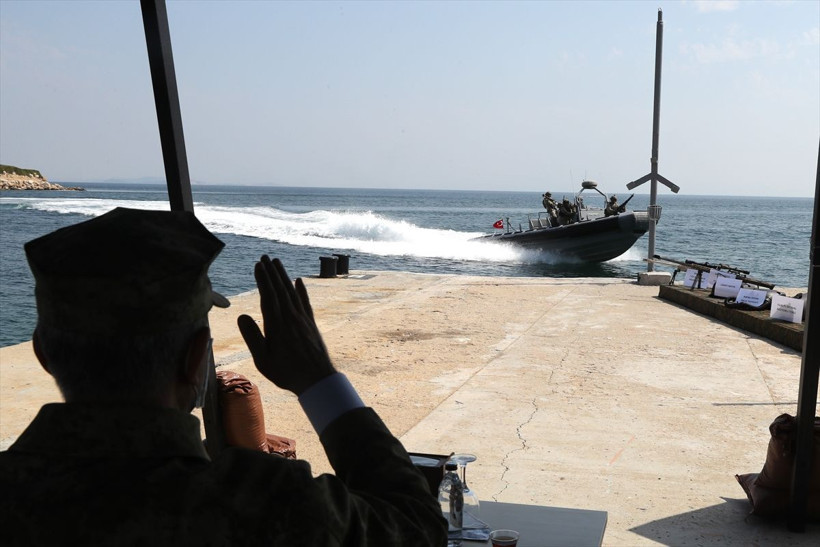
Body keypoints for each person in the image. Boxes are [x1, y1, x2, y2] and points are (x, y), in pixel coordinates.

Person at [0, 207, 447, 546]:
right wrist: (316, 378)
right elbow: (416, 528)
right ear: (196, 360)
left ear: (42, 353)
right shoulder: (265, 505)